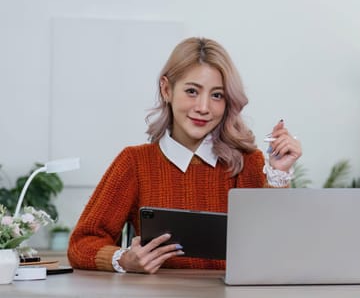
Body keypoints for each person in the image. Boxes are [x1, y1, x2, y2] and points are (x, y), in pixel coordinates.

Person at [67, 37, 302, 274]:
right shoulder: (134, 163)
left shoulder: (249, 163)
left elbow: (276, 248)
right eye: (192, 91)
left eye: (217, 95)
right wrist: (124, 259)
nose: (203, 107)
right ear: (166, 89)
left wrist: (278, 175)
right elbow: (82, 244)